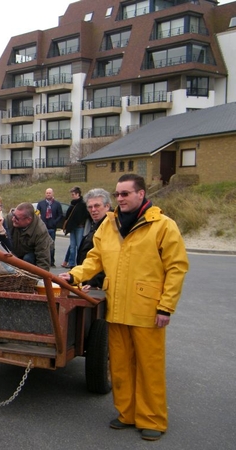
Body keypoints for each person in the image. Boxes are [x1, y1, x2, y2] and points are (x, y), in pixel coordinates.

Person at [59, 174, 189, 441]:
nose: (120, 199)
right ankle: (126, 413)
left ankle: (152, 418)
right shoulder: (109, 226)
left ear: (141, 194)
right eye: (117, 194)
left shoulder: (163, 225)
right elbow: (95, 259)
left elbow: (176, 268)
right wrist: (75, 275)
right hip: (116, 309)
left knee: (148, 367)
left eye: (125, 194)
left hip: (148, 311)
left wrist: (166, 307)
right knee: (120, 365)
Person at [76, 188, 112, 290]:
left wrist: (95, 282)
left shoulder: (112, 228)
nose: (93, 210)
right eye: (90, 207)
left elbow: (107, 260)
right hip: (87, 282)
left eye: (97, 206)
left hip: (99, 287)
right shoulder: (95, 226)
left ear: (107, 206)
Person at [7, 202, 52, 271]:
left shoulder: (40, 231)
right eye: (13, 215)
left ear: (28, 220)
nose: (13, 219)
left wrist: (39, 279)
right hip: (16, 252)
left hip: (34, 254)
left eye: (16, 218)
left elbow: (43, 260)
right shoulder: (9, 219)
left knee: (28, 258)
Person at [35, 188, 64, 267]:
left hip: (52, 228)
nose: (48, 194)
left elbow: (60, 215)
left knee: (52, 245)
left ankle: (52, 261)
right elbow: (37, 214)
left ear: (52, 194)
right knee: (43, 245)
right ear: (45, 194)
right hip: (43, 228)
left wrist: (55, 222)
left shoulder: (57, 204)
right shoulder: (41, 203)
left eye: (50, 193)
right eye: (47, 193)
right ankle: (44, 261)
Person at [61, 186, 88, 268]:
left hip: (80, 227)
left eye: (73, 194)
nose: (72, 196)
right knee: (72, 246)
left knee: (79, 246)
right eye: (72, 194)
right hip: (72, 228)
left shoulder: (83, 204)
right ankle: (71, 263)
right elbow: (68, 215)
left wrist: (80, 223)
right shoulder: (73, 204)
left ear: (78, 194)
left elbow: (84, 216)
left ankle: (79, 262)